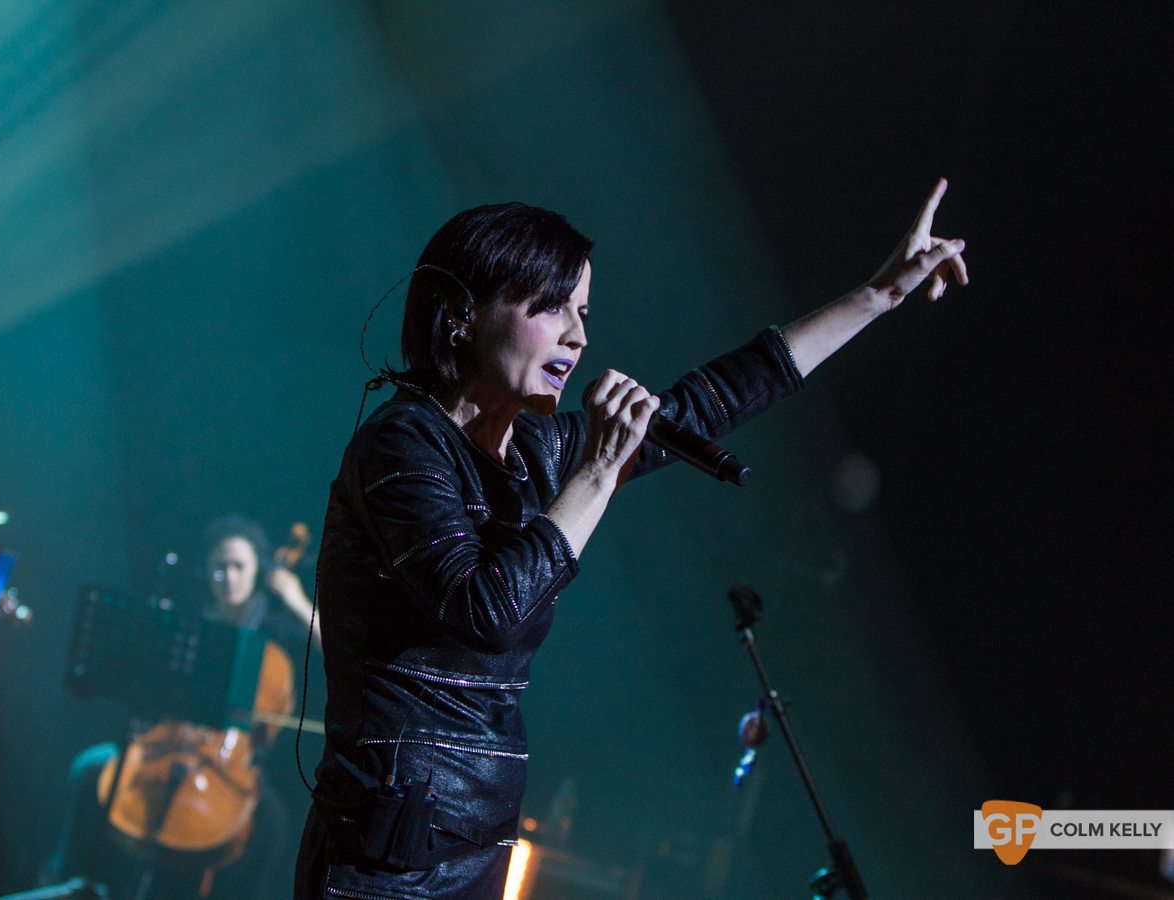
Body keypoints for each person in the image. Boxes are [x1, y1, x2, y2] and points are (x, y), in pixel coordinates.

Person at [293, 183, 968, 898]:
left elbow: (718, 396)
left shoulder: (535, 453)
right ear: (462, 316)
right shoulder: (403, 444)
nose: (578, 337)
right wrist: (600, 468)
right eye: (551, 307)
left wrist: (878, 296)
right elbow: (484, 609)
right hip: (385, 858)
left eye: (583, 314)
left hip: (474, 842)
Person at [49, 516, 318, 900]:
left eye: (238, 566)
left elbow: (339, 648)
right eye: (219, 569)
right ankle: (66, 880)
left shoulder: (278, 631)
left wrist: (296, 600)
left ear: (258, 569)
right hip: (169, 746)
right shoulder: (193, 625)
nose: (228, 578)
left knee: (272, 823)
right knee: (90, 767)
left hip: (229, 767)